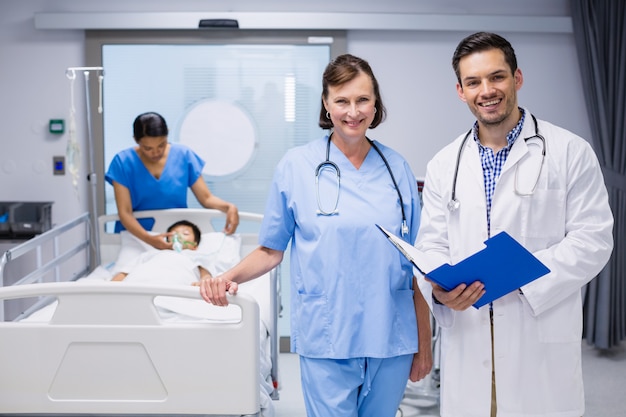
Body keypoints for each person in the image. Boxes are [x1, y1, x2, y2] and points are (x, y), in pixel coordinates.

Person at [199, 54, 433, 417]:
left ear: (375, 103)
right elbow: (270, 250)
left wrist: (424, 343)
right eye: (341, 100)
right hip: (328, 333)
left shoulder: (397, 169)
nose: (352, 112)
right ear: (326, 103)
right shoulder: (296, 166)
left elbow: (419, 264)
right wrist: (226, 278)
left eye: (362, 100)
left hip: (391, 334)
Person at [415, 32, 614, 417]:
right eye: (473, 82)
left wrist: (523, 278)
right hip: (470, 339)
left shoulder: (570, 152)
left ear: (517, 78)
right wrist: (439, 292)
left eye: (497, 77)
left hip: (538, 339)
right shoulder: (445, 164)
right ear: (460, 90)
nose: (486, 90)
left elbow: (593, 239)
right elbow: (433, 244)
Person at [105, 111, 239, 250]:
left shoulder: (183, 155)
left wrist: (229, 207)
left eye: (161, 145)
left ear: (167, 134)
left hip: (176, 235)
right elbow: (125, 212)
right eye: (148, 148)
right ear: (136, 140)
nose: (156, 152)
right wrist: (150, 240)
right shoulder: (122, 162)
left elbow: (206, 198)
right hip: (136, 237)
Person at [111, 220, 212, 284]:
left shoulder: (194, 256)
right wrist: (112, 289)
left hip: (177, 284)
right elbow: (124, 272)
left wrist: (204, 283)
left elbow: (206, 275)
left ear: (195, 245)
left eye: (185, 233)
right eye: (174, 234)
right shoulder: (152, 253)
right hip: (140, 283)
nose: (178, 236)